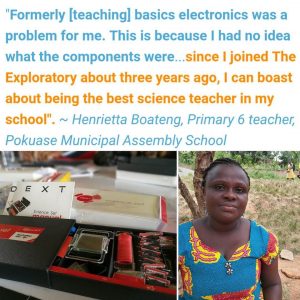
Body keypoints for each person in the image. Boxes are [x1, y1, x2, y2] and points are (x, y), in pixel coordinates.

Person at [179, 158, 282, 300]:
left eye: (240, 190)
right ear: (203, 191)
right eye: (219, 187)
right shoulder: (181, 238)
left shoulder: (264, 239)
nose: (230, 195)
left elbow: (272, 284)